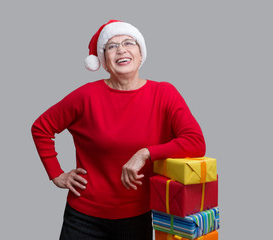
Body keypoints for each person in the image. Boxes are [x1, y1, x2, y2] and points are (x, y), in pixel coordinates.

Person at [31, 19, 206, 240]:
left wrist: (145, 153)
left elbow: (196, 142)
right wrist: (56, 173)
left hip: (138, 216)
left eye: (128, 42)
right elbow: (41, 127)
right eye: (111, 46)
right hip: (84, 217)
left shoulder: (164, 93)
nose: (121, 49)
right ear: (104, 62)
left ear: (141, 54)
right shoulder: (86, 96)